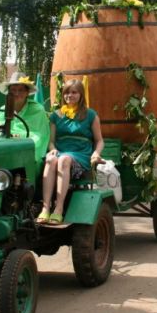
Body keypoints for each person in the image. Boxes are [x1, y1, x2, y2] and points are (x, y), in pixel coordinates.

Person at [38, 79, 104, 225]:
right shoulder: (56, 115)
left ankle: (59, 209)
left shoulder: (90, 115)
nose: (70, 95)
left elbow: (99, 140)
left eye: (74, 92)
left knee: (64, 160)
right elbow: (51, 141)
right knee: (50, 160)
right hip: (61, 152)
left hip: (81, 155)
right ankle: (45, 208)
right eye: (67, 92)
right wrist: (53, 150)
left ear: (81, 95)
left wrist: (96, 153)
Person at [0, 72, 50, 165]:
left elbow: (42, 136)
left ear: (27, 93)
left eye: (21, 90)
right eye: (13, 90)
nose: (17, 93)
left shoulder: (37, 110)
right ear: (9, 92)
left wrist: (21, 143)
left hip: (29, 154)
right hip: (2, 153)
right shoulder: (1, 111)